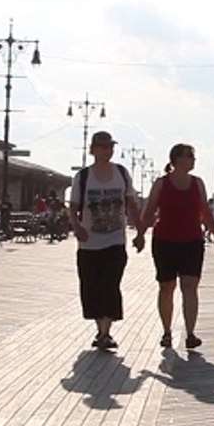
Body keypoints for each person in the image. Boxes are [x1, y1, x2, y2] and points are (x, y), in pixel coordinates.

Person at [70, 131, 146, 351]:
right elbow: (73, 207)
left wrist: (140, 233)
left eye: (110, 146)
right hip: (89, 243)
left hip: (115, 240)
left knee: (110, 285)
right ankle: (100, 329)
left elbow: (131, 205)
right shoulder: (83, 177)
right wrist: (76, 227)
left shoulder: (121, 173)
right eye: (102, 147)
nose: (107, 150)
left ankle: (105, 333)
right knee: (91, 287)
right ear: (92, 149)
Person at [142, 143, 214, 350]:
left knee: (190, 287)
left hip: (192, 241)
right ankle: (167, 331)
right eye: (190, 156)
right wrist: (140, 234)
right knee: (166, 287)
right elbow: (150, 210)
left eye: (193, 157)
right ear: (177, 159)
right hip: (165, 241)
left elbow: (205, 210)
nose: (193, 160)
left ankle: (190, 334)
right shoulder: (161, 184)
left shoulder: (197, 183)